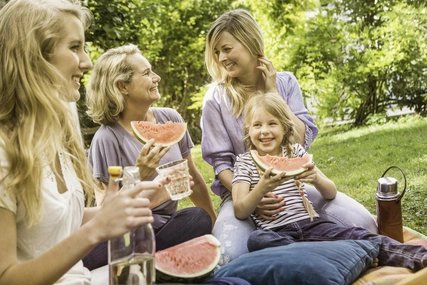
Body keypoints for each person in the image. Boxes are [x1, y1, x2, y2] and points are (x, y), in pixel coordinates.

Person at [0, 1, 163, 284]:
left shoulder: (55, 134)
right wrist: (97, 228)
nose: (87, 62)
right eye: (74, 48)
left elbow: (50, 225)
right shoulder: (4, 152)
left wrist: (111, 210)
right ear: (34, 56)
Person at [201, 8, 377, 264]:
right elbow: (222, 166)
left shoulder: (285, 83)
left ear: (249, 41)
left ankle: (311, 252)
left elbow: (300, 141)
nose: (222, 57)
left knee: (365, 224)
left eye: (227, 48)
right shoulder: (215, 98)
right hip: (240, 192)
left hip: (294, 189)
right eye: (217, 52)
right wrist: (254, 197)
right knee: (231, 257)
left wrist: (273, 93)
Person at [232, 92, 427, 272]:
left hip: (312, 225)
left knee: (361, 235)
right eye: (257, 125)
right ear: (248, 130)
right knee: (257, 240)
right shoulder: (245, 162)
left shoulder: (296, 153)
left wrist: (316, 178)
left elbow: (330, 192)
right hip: (277, 233)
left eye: (272, 124)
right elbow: (240, 210)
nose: (264, 131)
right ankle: (342, 253)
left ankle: (420, 258)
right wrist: (261, 188)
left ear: (284, 126)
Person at [84, 44, 217, 270]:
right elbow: (106, 209)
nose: (156, 78)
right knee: (92, 255)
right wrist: (139, 175)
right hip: (127, 230)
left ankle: (141, 261)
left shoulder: (170, 118)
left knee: (198, 219)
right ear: (122, 85)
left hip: (167, 225)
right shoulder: (107, 138)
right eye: (146, 73)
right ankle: (156, 261)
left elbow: (193, 178)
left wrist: (214, 224)